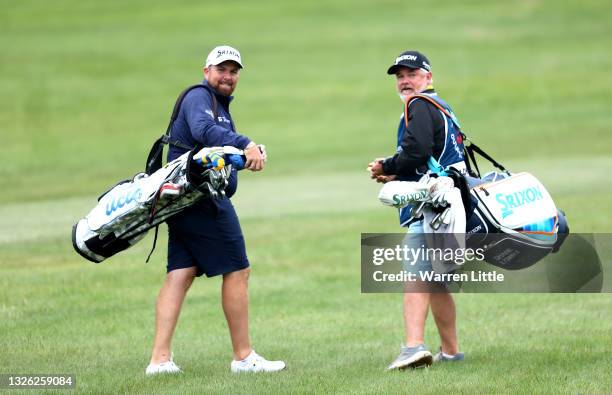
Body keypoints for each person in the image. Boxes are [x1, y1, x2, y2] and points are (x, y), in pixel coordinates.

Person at [146, 45, 285, 375]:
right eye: (222, 69)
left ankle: (159, 361)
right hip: (200, 200)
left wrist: (241, 159)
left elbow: (213, 151)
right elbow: (203, 132)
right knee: (238, 269)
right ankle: (243, 357)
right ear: (206, 71)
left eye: (234, 71)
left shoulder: (218, 106)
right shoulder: (199, 97)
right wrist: (246, 143)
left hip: (182, 200)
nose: (228, 76)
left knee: (180, 273)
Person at [368, 50, 466, 369]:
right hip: (451, 201)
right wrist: (397, 171)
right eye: (400, 76)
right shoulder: (443, 107)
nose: (405, 81)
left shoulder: (419, 104)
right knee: (436, 281)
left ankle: (413, 348)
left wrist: (388, 164)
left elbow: (416, 150)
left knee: (417, 276)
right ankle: (451, 351)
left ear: (428, 77)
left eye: (412, 74)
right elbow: (431, 154)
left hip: (433, 206)